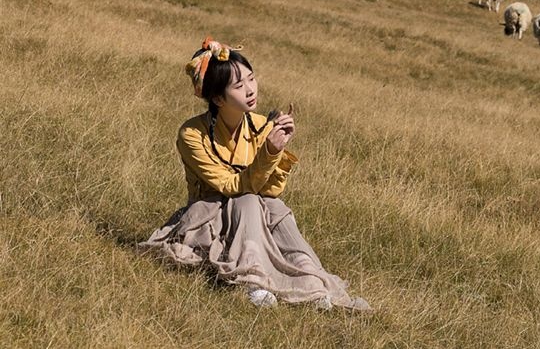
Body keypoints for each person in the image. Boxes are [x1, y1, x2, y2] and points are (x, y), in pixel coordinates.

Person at [138, 35, 371, 311]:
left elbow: (271, 190)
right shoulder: (192, 134)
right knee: (246, 199)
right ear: (217, 98)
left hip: (256, 214)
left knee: (275, 205)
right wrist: (269, 154)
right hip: (208, 217)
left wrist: (277, 150)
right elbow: (230, 186)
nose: (250, 89)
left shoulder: (261, 125)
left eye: (251, 79)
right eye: (238, 85)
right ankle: (253, 279)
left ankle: (311, 280)